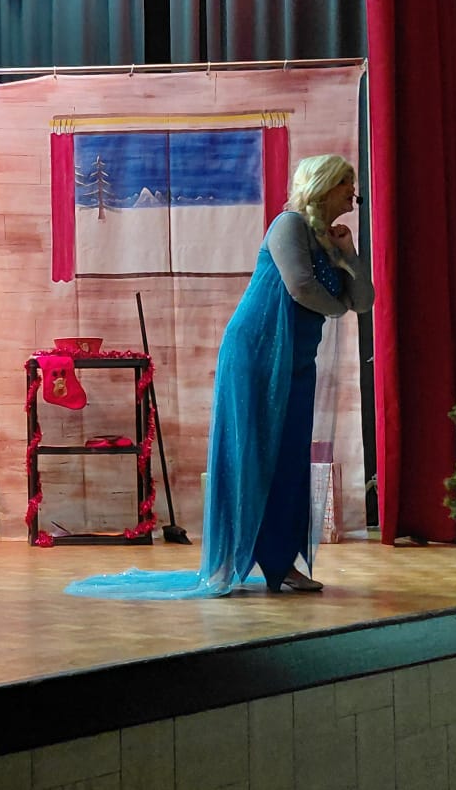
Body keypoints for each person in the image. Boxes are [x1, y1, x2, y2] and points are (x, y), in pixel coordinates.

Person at [66, 154, 373, 599]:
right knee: (249, 452)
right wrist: (339, 305)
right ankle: (231, 557)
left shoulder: (332, 241)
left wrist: (349, 256)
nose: (353, 192)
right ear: (324, 185)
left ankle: (280, 562)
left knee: (288, 458)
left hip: (296, 358)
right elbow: (300, 287)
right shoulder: (288, 225)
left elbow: (363, 300)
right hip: (258, 352)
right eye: (346, 183)